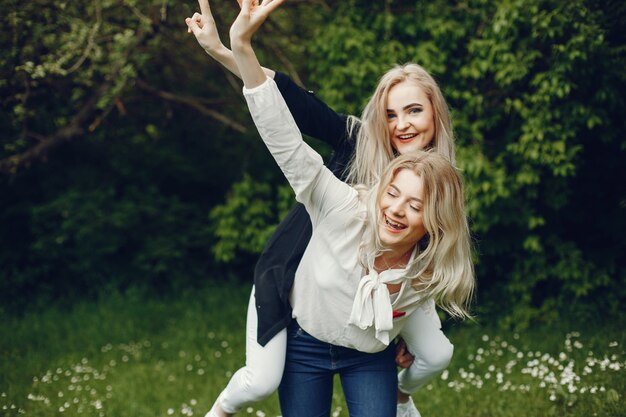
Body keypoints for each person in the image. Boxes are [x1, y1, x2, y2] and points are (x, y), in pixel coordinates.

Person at [185, 1, 467, 416]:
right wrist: (229, 52)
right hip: (303, 271)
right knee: (262, 378)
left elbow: (432, 259)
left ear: (435, 115)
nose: (402, 124)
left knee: (436, 351)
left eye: (413, 111)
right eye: (390, 114)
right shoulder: (358, 142)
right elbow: (290, 114)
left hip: (387, 287)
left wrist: (397, 325)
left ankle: (402, 397)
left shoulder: (444, 183)